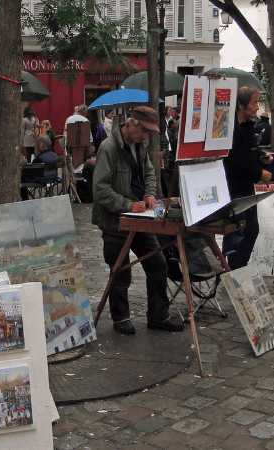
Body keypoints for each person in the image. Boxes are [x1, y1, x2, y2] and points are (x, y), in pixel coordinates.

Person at [91, 106, 183, 335]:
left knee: (158, 263)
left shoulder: (140, 145)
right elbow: (100, 189)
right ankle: (120, 318)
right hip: (115, 220)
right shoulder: (109, 148)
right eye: (144, 130)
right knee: (120, 270)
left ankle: (159, 315)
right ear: (131, 123)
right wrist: (127, 205)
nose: (146, 136)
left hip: (138, 215)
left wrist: (150, 194)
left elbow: (150, 173)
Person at [222, 87, 273, 271]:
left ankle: (239, 268)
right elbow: (235, 160)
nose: (257, 107)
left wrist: (261, 156)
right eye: (254, 103)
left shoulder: (248, 126)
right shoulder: (231, 129)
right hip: (234, 188)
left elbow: (250, 152)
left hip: (247, 188)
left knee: (251, 230)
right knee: (237, 233)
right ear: (240, 105)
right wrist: (259, 174)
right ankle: (232, 271)